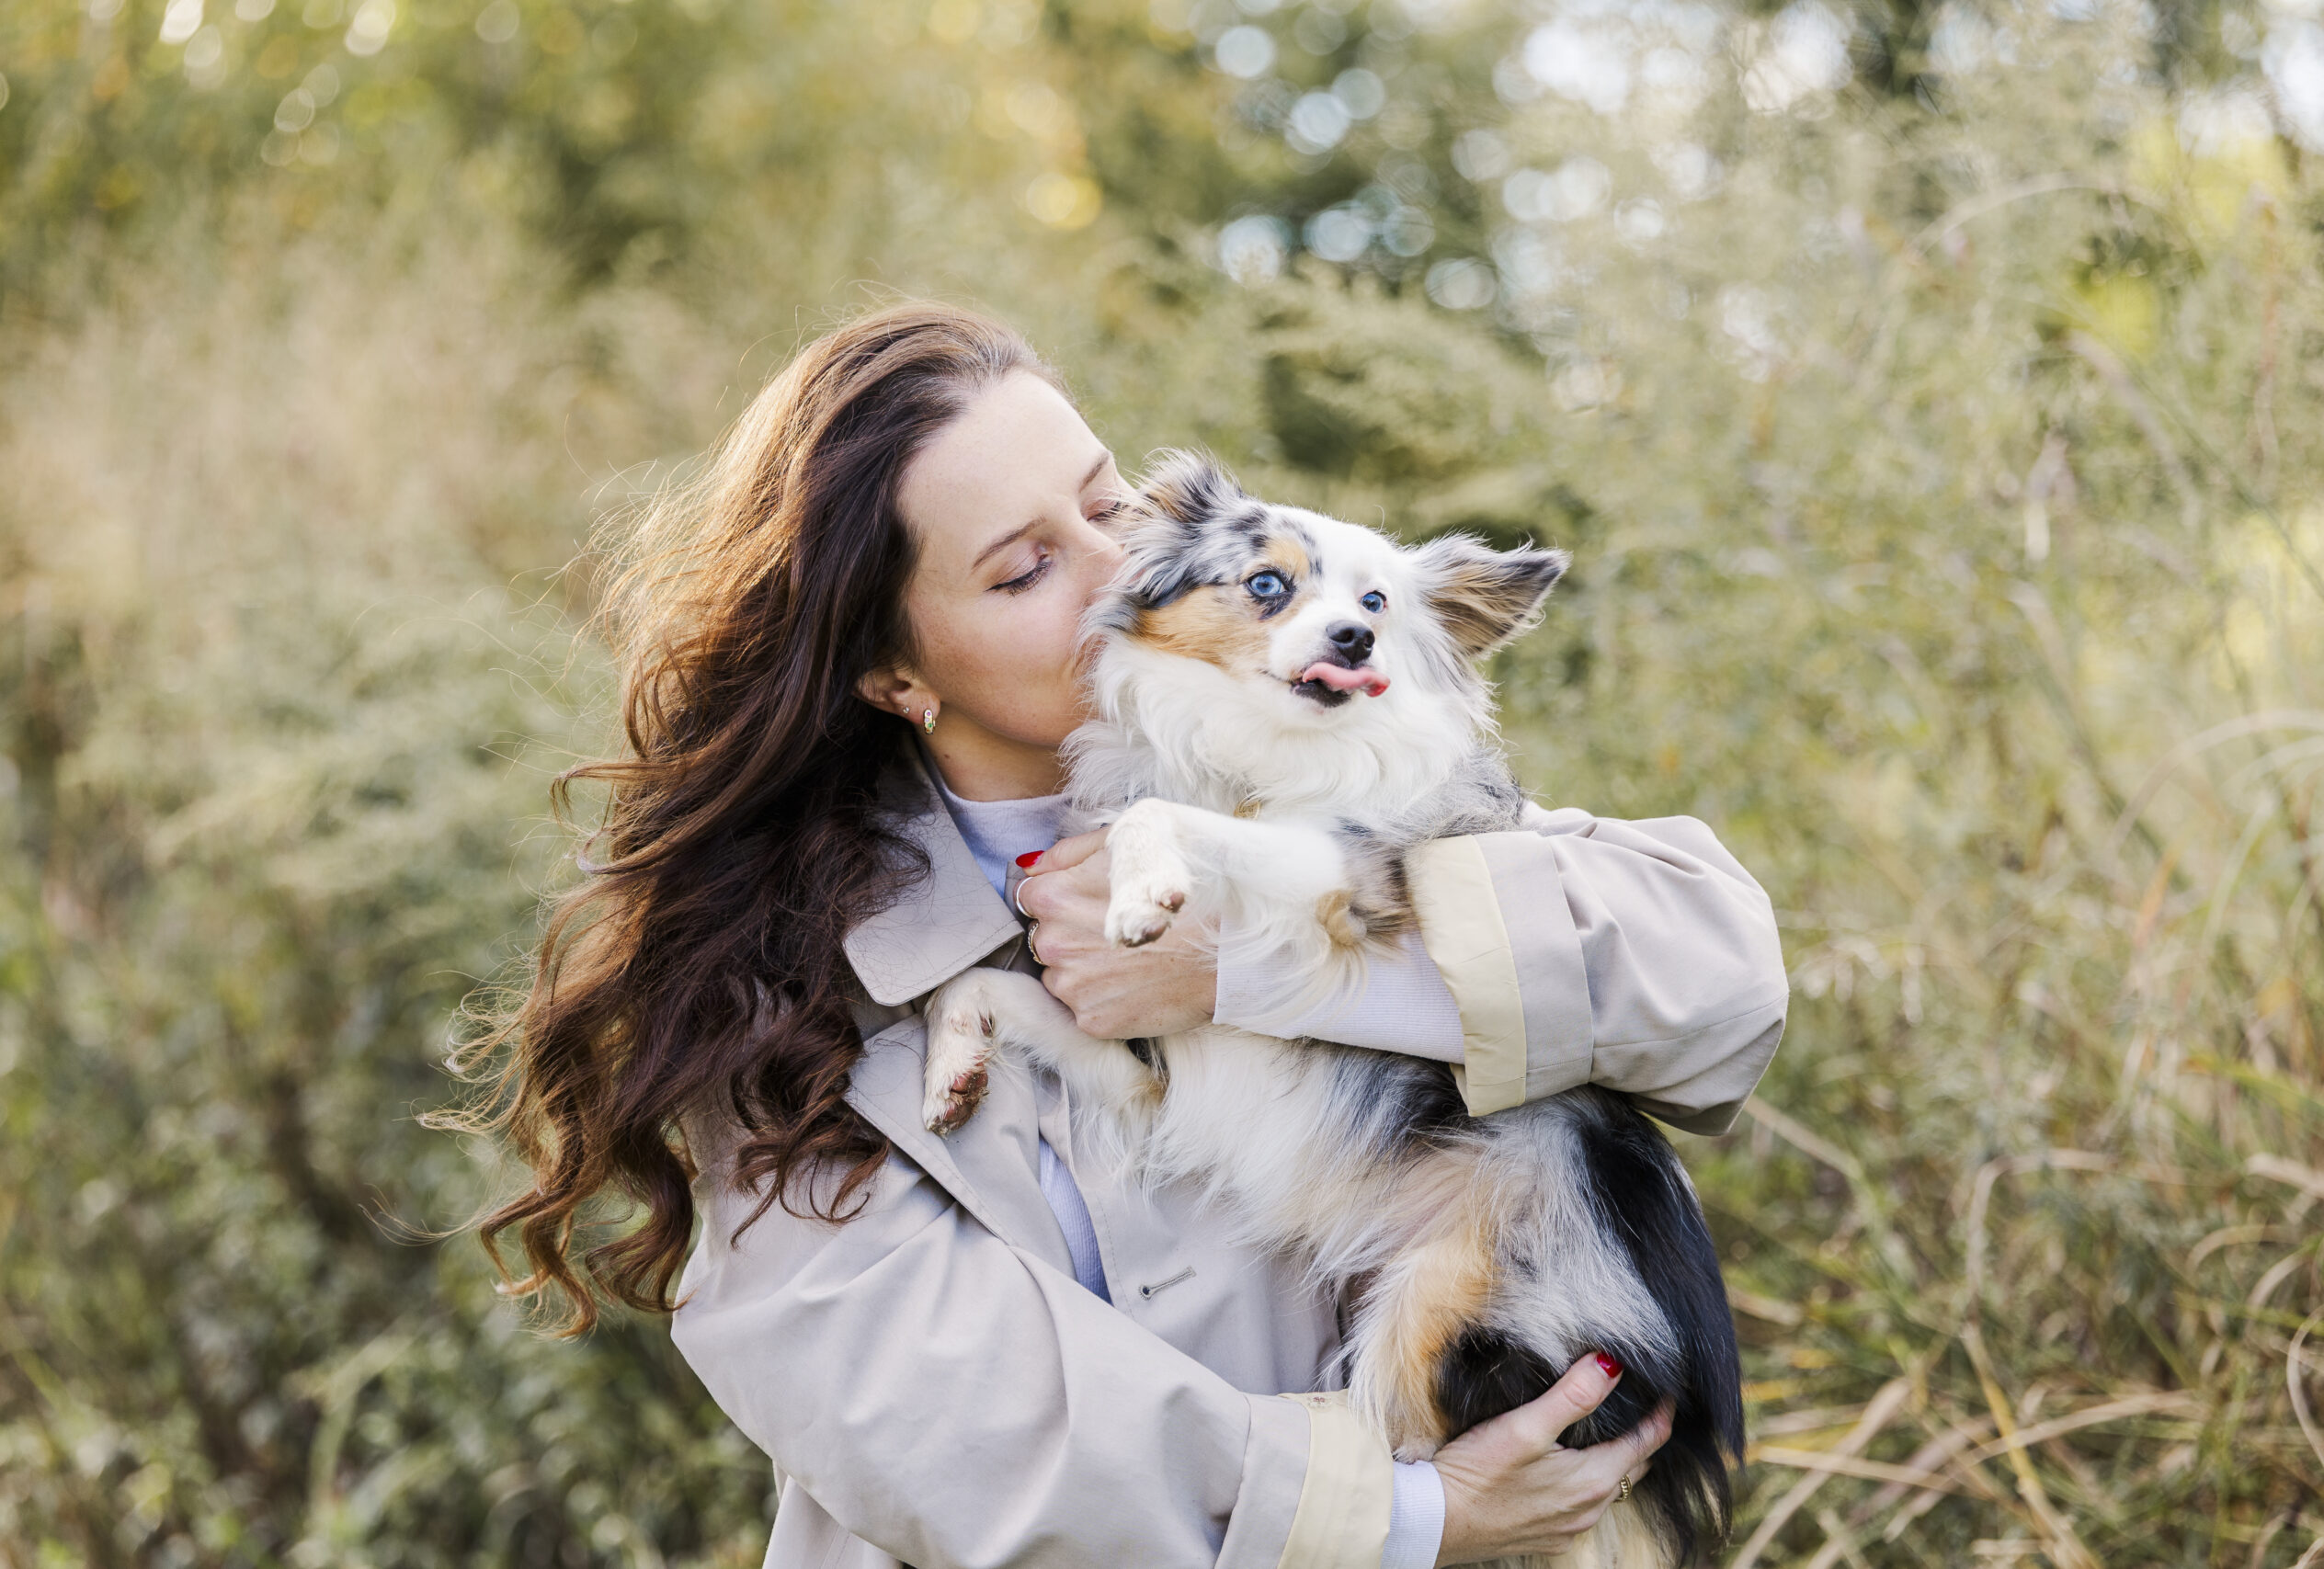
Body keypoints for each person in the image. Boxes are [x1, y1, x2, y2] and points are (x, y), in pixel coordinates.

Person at [472, 303, 1789, 1567]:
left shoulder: (1320, 779)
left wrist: (1253, 961)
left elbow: (1719, 980)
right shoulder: (788, 1001)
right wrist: (1411, 1520)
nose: (1115, 568)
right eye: (1024, 568)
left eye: (1106, 505)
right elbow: (950, 1432)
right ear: (895, 675)